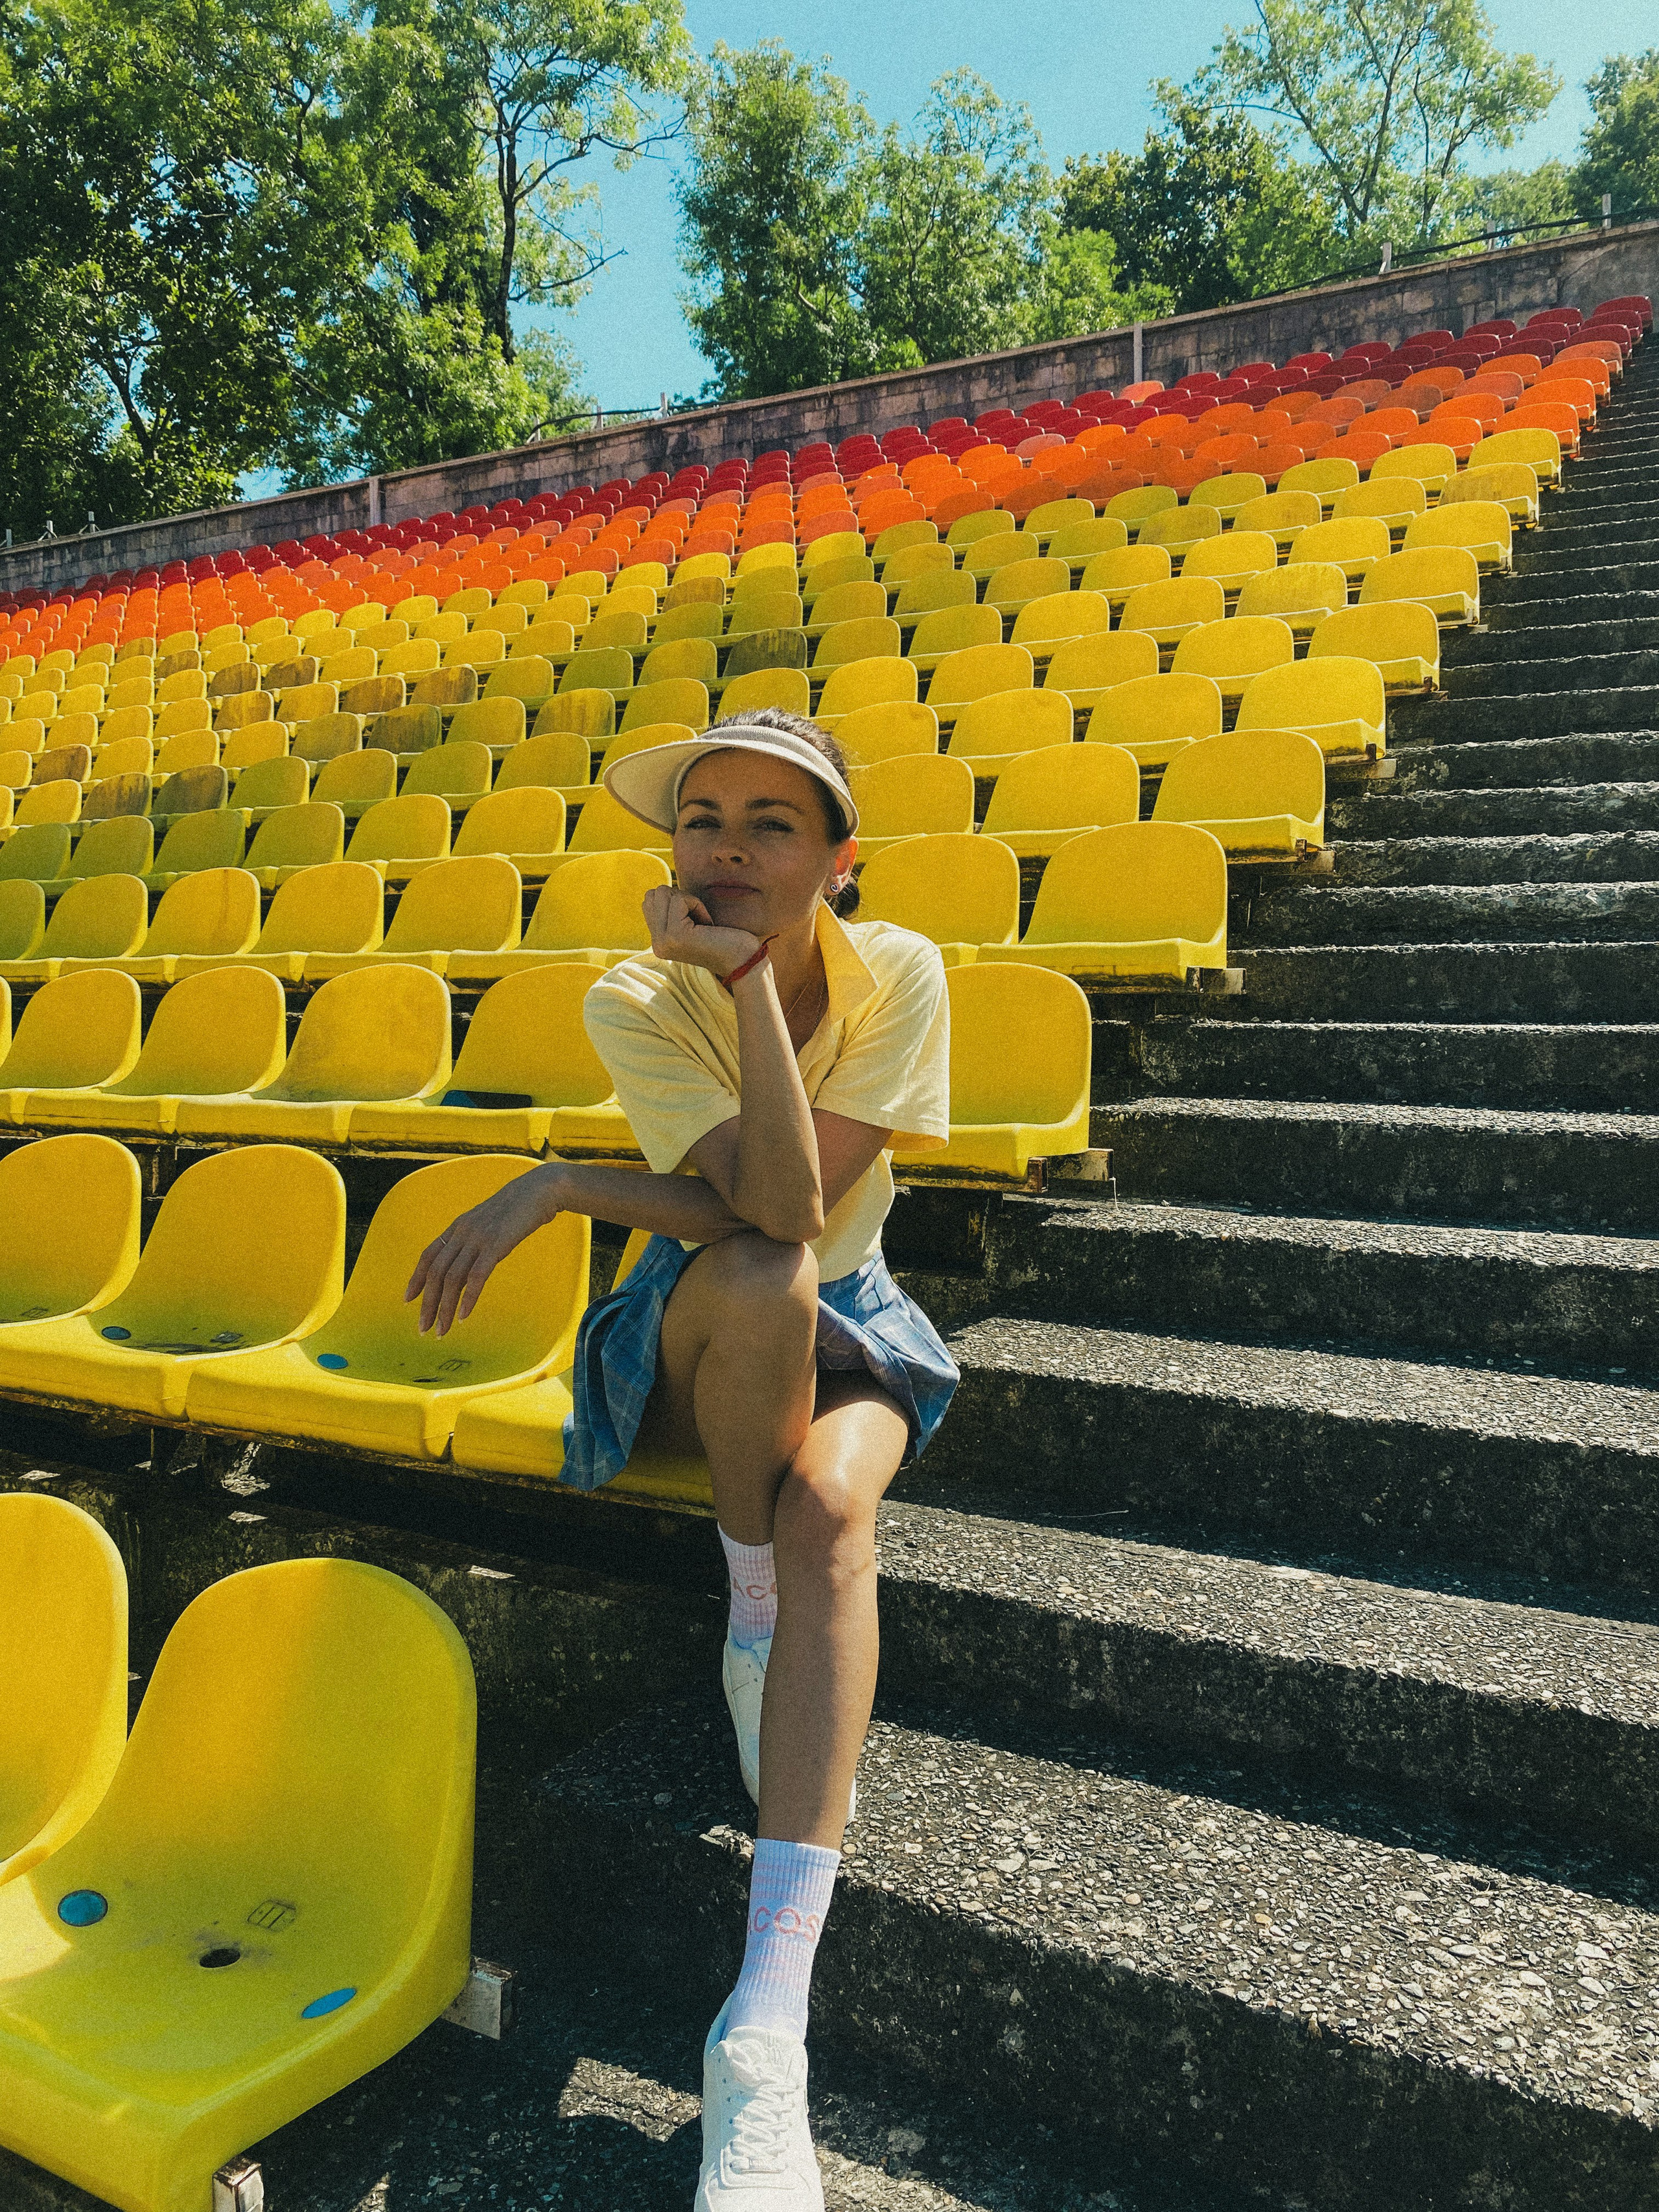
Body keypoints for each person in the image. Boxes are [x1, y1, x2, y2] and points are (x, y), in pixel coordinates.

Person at [406, 709, 958, 2210]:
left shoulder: (898, 969)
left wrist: (574, 1179)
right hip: (696, 1321)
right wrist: (710, 990)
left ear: (840, 865)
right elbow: (762, 1228)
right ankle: (746, 1590)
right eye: (700, 815)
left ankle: (761, 2032)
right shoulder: (629, 994)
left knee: (836, 1506)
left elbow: (795, 1196)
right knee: (766, 1286)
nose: (723, 844)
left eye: (772, 823)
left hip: (868, 1313)